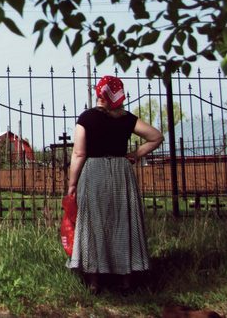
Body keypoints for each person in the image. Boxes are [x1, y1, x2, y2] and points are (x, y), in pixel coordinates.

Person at [65, 75, 164, 292]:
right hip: (121, 172)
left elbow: (79, 153)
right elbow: (156, 137)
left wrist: (72, 183)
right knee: (122, 221)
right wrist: (135, 154)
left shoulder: (86, 118)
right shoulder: (127, 118)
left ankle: (94, 280)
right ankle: (126, 280)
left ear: (99, 92)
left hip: (94, 172)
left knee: (94, 223)